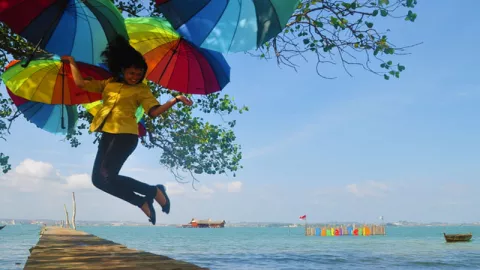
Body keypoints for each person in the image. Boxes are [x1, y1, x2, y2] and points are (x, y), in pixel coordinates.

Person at [62, 36, 193, 225]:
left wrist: (175, 100)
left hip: (125, 136)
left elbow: (154, 112)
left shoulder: (141, 90)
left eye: (139, 74)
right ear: (122, 70)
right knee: (99, 181)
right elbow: (81, 84)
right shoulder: (109, 84)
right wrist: (72, 62)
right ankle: (144, 198)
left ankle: (153, 192)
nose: (135, 77)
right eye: (131, 73)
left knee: (107, 177)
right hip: (108, 135)